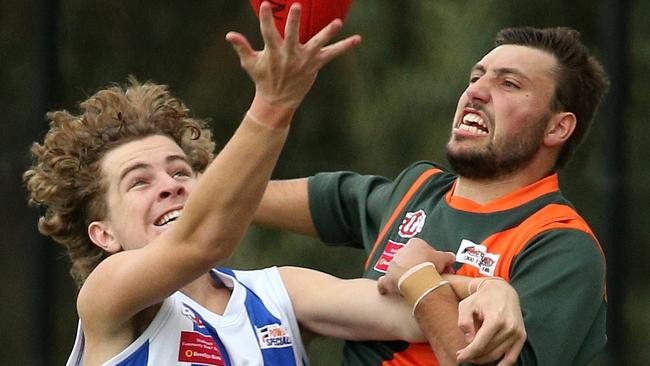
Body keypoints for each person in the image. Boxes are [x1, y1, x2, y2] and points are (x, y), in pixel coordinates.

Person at [23, 3, 524, 365]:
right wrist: (275, 101)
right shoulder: (106, 298)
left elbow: (416, 318)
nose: (171, 185)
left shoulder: (277, 292)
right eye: (139, 182)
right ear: (102, 234)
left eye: (181, 171)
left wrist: (490, 288)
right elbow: (202, 240)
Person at [254, 26, 610, 365]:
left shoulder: (561, 244)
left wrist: (419, 279)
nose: (476, 91)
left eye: (508, 84)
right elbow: (317, 202)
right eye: (476, 77)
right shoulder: (419, 190)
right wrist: (203, 194)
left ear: (557, 127)